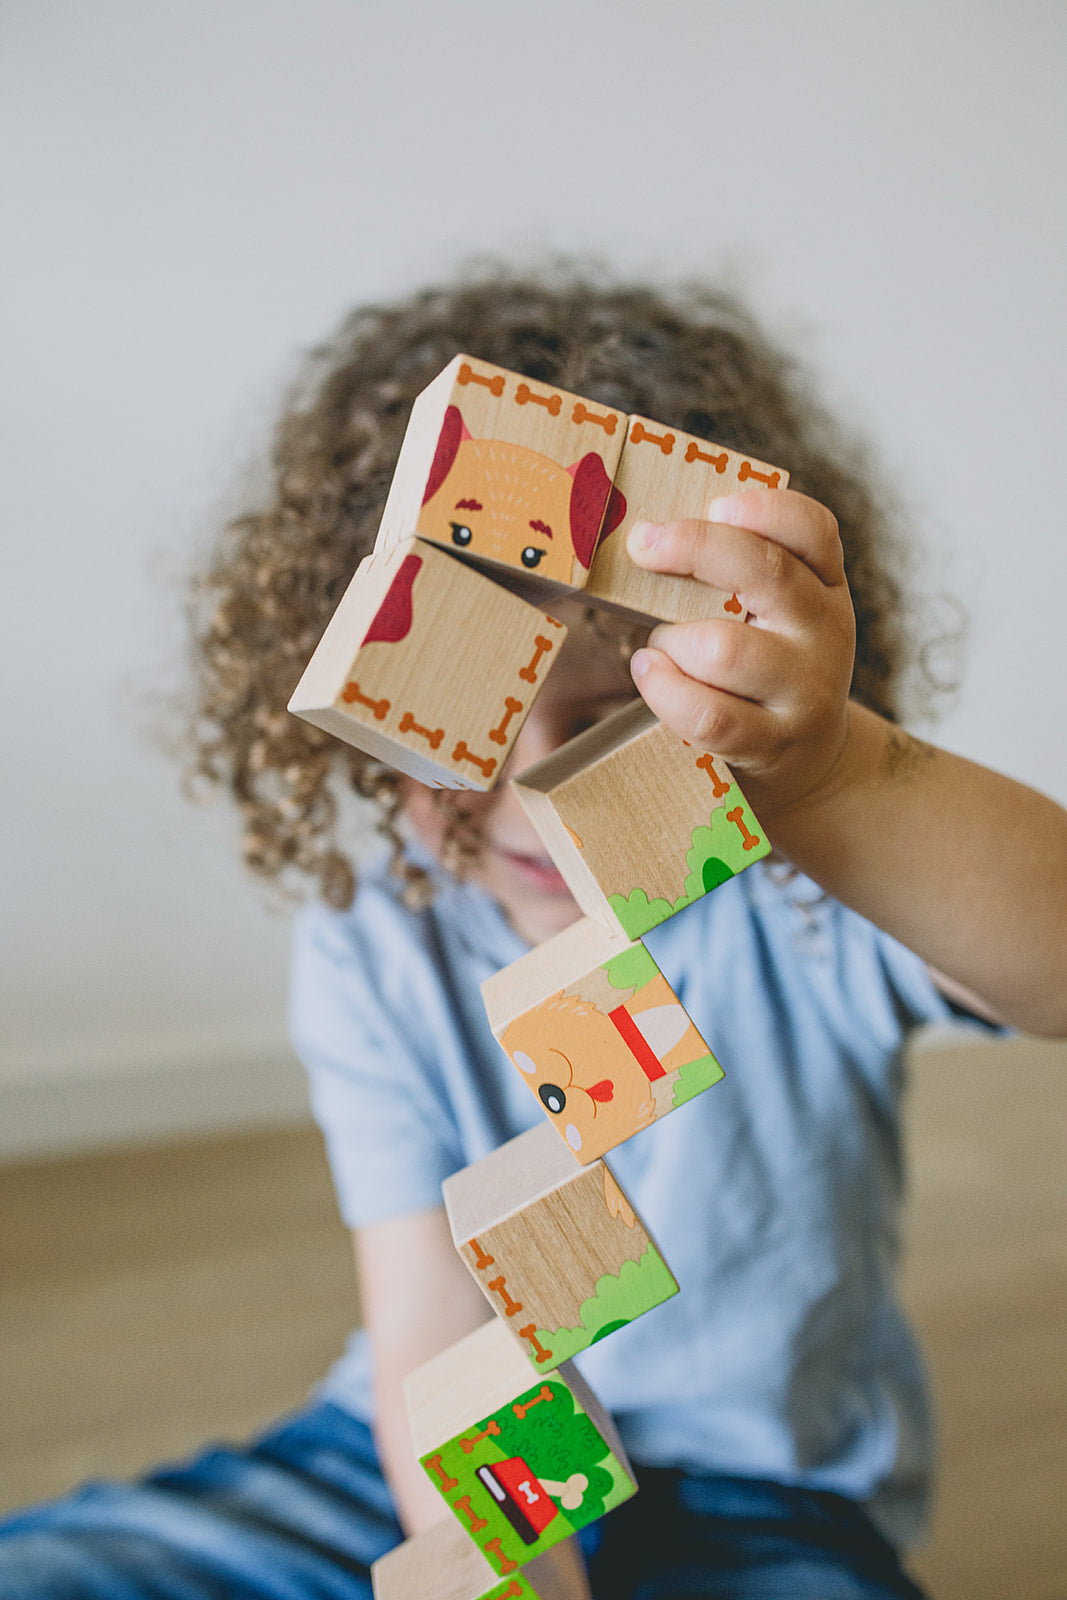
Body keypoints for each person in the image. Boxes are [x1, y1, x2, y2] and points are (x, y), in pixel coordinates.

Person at [3, 269, 1064, 1600]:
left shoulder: (804, 889)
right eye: (467, 717)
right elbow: (435, 1320)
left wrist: (836, 779)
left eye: (618, 708)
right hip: (416, 1457)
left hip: (754, 1486)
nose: (534, 791)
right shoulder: (375, 944)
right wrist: (499, 1556)